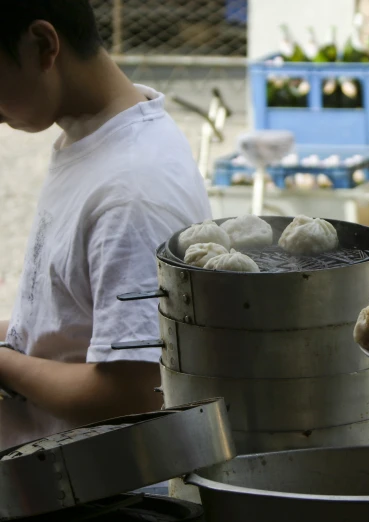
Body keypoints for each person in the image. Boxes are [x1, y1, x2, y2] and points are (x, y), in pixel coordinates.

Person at [0, 0, 211, 450]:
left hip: (87, 494)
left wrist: (2, 363)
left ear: (42, 45)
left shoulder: (134, 187)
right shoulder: (89, 139)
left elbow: (132, 392)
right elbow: (66, 330)